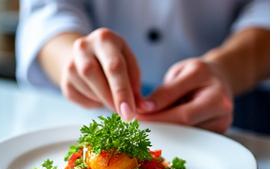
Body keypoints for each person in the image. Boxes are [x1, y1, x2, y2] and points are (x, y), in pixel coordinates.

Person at [16, 0, 269, 133]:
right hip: (85, 110)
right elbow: (47, 11)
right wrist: (74, 61)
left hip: (235, 106)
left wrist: (226, 69)